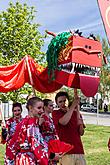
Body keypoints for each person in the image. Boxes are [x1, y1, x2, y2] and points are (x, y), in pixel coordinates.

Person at [6, 97, 61, 165]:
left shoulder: (24, 121)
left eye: (42, 108)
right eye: (39, 108)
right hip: (29, 159)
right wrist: (52, 156)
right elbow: (36, 145)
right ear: (30, 108)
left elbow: (13, 145)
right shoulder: (31, 123)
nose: (42, 111)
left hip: (22, 159)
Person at [52, 91, 86, 165]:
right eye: (60, 102)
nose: (63, 103)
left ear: (68, 100)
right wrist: (73, 106)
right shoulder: (56, 113)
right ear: (57, 103)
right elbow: (64, 122)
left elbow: (81, 132)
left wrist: (80, 122)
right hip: (66, 152)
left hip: (79, 150)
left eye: (64, 101)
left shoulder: (76, 113)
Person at [39, 99, 58, 165]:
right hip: (45, 144)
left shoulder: (51, 118)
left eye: (53, 105)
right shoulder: (41, 117)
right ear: (45, 107)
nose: (53, 107)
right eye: (51, 105)